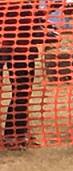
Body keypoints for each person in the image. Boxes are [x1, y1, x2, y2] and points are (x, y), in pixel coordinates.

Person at [0, 1, 50, 149]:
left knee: (23, 91)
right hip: (13, 46)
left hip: (22, 47)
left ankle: (17, 134)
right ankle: (15, 136)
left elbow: (33, 17)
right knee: (22, 91)